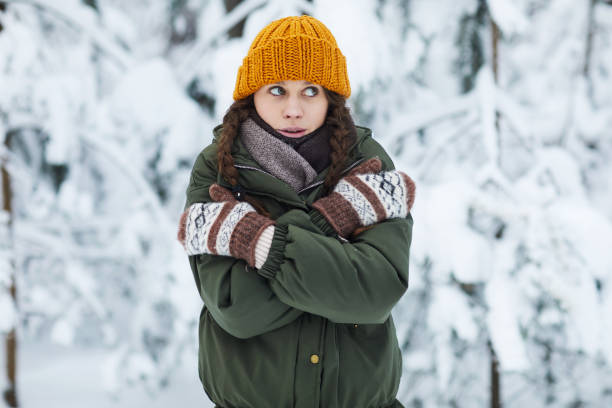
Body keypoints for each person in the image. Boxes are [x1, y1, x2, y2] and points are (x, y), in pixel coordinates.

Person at [177, 15, 416, 408]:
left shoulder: (367, 166)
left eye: (310, 91)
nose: (293, 109)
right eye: (277, 90)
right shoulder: (218, 169)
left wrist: (258, 241)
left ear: (330, 98)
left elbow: (373, 295)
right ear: (252, 93)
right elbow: (238, 308)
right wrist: (330, 221)